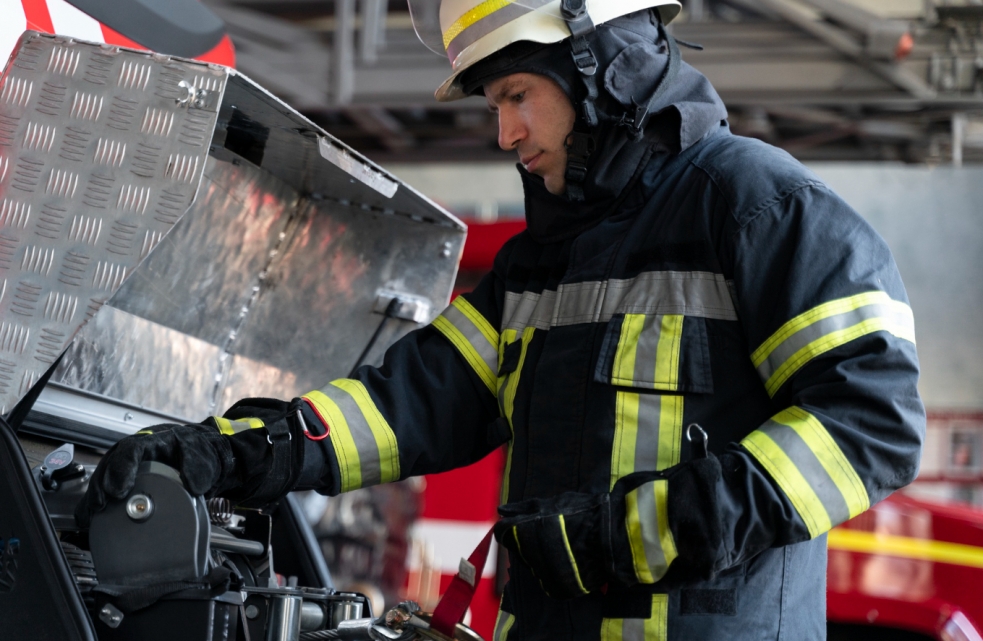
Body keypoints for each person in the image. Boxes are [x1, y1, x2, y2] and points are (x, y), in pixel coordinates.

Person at [77, 1, 925, 639]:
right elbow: (409, 400)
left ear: (603, 66)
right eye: (493, 105)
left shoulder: (758, 209)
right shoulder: (542, 261)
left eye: (516, 94)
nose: (506, 131)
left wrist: (634, 534)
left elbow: (870, 421)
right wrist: (232, 451)